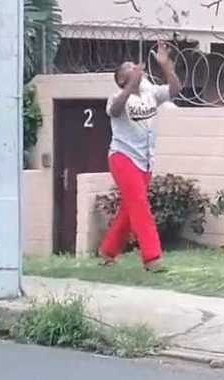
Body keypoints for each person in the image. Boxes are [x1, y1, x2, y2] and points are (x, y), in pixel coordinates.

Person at [99, 41, 181, 272]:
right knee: (139, 204)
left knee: (129, 208)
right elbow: (114, 110)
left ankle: (108, 251)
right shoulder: (117, 97)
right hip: (122, 157)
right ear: (122, 79)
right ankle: (152, 257)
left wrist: (165, 66)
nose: (136, 68)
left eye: (135, 66)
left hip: (144, 160)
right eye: (129, 68)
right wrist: (129, 87)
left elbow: (174, 89)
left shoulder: (149, 91)